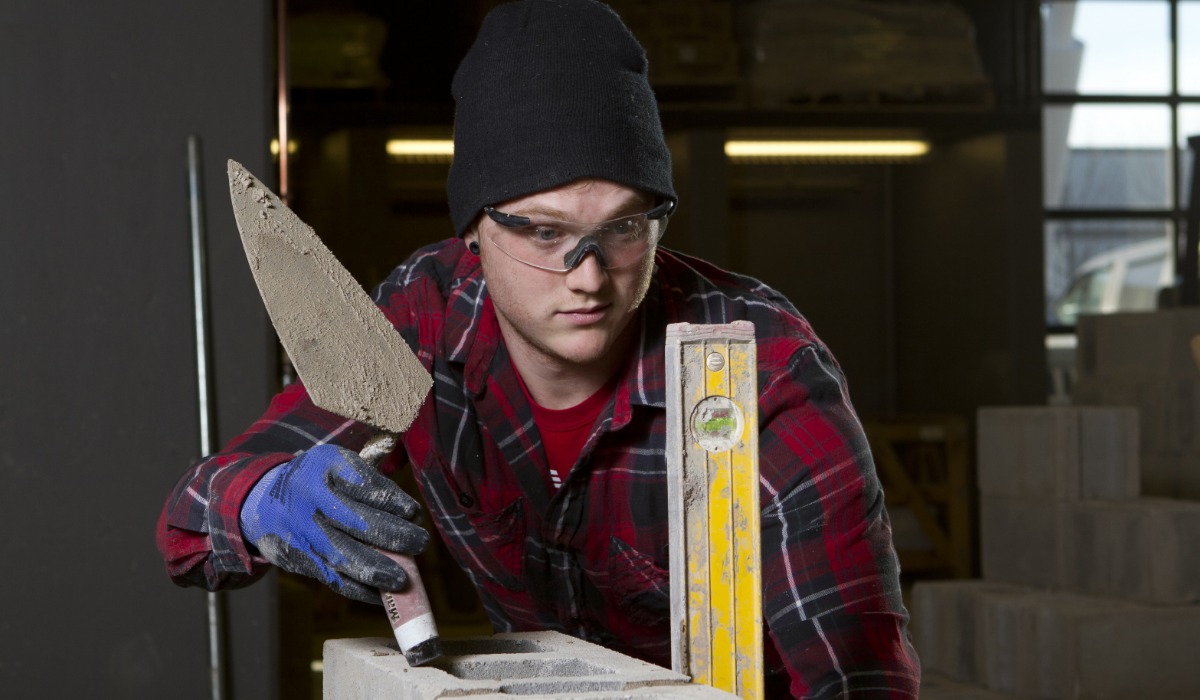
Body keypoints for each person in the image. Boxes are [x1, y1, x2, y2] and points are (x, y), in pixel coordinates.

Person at [157, 0, 921, 696]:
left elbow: (859, 677)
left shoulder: (759, 371)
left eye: (623, 228)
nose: (588, 277)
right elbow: (188, 525)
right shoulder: (422, 318)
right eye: (547, 233)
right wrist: (262, 501)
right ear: (474, 231)